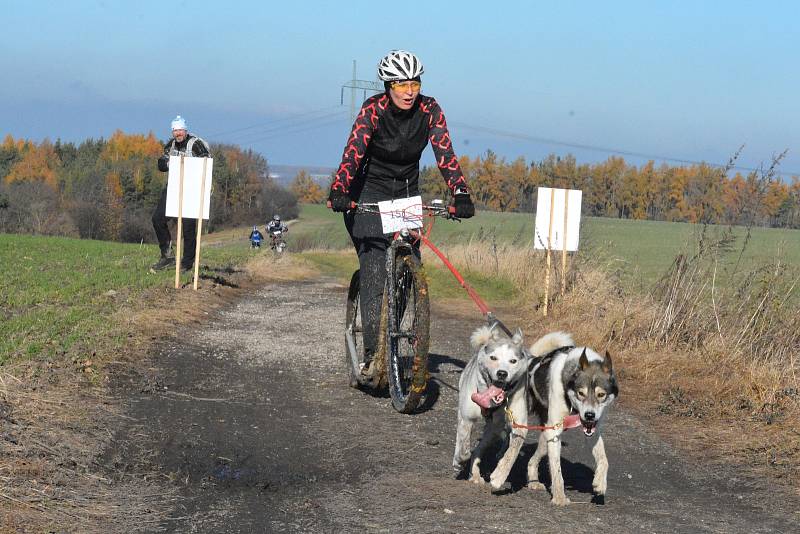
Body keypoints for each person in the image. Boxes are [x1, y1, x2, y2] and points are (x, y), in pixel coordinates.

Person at [327, 49, 475, 376]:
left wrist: (461, 192)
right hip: (367, 190)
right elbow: (353, 152)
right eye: (401, 84)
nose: (409, 91)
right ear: (388, 86)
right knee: (376, 263)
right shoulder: (373, 110)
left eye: (415, 83)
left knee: (409, 265)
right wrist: (339, 189)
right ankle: (371, 356)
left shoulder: (430, 110)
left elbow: (445, 153)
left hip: (405, 191)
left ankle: (395, 332)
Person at [151, 115, 211, 270]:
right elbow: (161, 164)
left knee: (188, 228)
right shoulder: (170, 145)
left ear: (185, 130)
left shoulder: (196, 144)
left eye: (180, 130)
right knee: (158, 219)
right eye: (175, 131)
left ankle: (187, 263)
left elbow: (206, 163)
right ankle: (167, 255)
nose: (178, 133)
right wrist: (168, 163)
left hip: (192, 190)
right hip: (173, 188)